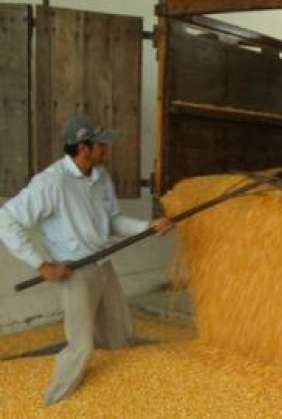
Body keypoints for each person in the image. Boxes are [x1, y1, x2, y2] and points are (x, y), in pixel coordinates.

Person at [0, 114, 173, 405]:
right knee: (81, 345)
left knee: (119, 330)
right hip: (74, 271)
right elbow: (6, 219)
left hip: (102, 264)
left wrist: (148, 227)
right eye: (102, 144)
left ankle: (118, 389)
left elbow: (112, 222)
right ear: (84, 147)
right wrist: (42, 264)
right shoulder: (51, 182)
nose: (107, 149)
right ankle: (55, 399)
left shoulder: (101, 177)